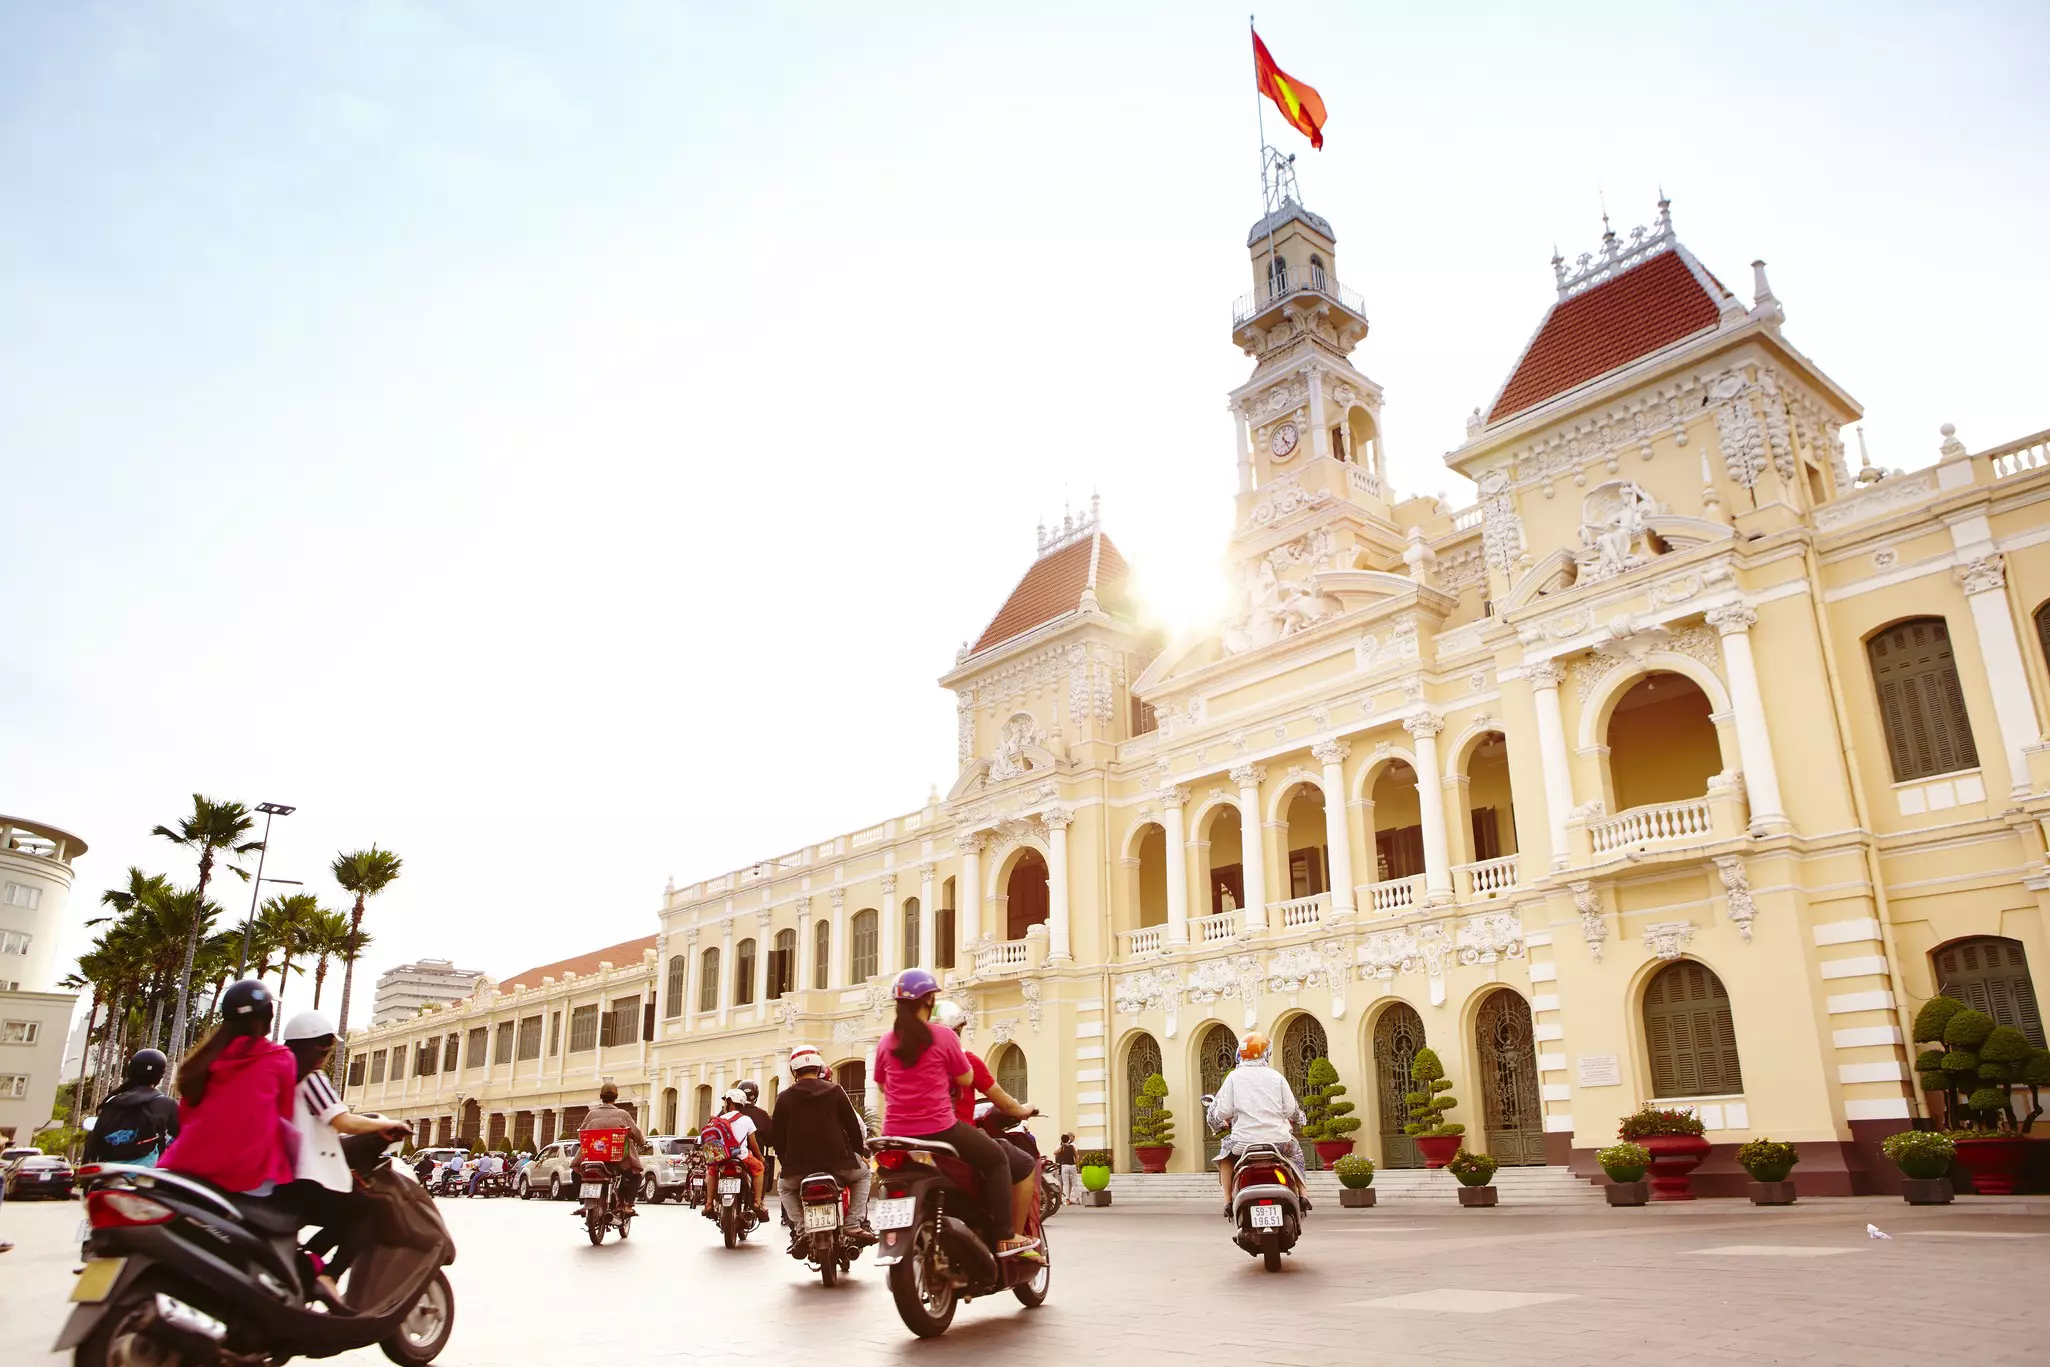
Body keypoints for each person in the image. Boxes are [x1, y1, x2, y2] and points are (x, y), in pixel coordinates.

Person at [873, 969, 1036, 1260]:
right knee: (997, 1158)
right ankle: (1005, 1235)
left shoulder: (886, 1041)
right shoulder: (943, 1036)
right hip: (939, 1129)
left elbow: (883, 1086)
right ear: (929, 1000)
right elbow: (965, 1078)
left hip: (894, 1133)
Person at [276, 1010, 410, 1307]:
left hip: (284, 1177)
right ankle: (329, 1276)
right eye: (324, 1048)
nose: (325, 1056)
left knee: (344, 1216)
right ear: (313, 1047)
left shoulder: (279, 1077)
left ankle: (304, 1265)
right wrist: (386, 1124)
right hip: (310, 1177)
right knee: (370, 1213)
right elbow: (343, 1121)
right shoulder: (311, 1079)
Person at [160, 980, 298, 1196]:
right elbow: (285, 1116)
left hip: (184, 1167)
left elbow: (186, 1118)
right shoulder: (280, 1058)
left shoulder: (202, 1062)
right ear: (267, 1014)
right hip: (246, 1175)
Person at [931, 999, 1039, 1239]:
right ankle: (1009, 1235)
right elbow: (1004, 1103)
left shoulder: (914, 1061)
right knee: (1019, 1163)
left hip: (912, 1137)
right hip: (954, 1135)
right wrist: (1023, 1110)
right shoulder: (965, 1061)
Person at [768, 1046, 872, 1253]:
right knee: (864, 1175)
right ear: (819, 1068)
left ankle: (801, 1229)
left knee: (784, 1187)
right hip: (840, 1164)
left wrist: (785, 1161)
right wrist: (858, 1155)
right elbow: (853, 1127)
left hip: (797, 1168)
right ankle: (853, 1223)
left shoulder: (784, 1097)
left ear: (794, 1070)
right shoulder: (836, 1091)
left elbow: (776, 1137)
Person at [1204, 1032, 1310, 1218]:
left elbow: (1223, 1111)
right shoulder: (1277, 1077)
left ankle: (1227, 1201)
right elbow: (1290, 1109)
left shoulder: (1233, 1077)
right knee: (1295, 1152)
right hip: (1279, 1141)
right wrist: (1300, 1118)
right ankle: (1303, 1195)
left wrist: (1217, 1120)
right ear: (1265, 1053)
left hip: (1242, 1143)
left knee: (1225, 1157)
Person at [83, 1049, 181, 1167]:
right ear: (160, 1075)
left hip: (105, 1166)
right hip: (143, 1169)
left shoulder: (112, 1100)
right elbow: (184, 1136)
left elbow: (95, 1140)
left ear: (131, 1071)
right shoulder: (166, 1103)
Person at [577, 1082, 648, 1215]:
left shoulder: (591, 1114)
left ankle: (582, 1202)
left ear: (601, 1096)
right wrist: (641, 1142)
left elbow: (581, 1133)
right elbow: (636, 1133)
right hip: (617, 1159)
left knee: (576, 1172)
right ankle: (628, 1205)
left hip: (593, 1157)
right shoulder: (623, 1114)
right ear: (616, 1097)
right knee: (636, 1176)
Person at [703, 1088, 767, 1220]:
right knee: (759, 1168)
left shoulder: (719, 1119)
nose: (724, 1105)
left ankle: (709, 1204)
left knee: (712, 1171)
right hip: (742, 1156)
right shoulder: (747, 1120)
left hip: (722, 1157)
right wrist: (761, 1158)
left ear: (730, 1102)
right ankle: (757, 1202)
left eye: (725, 1102)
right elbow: (753, 1144)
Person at [733, 1078, 776, 1199]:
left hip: (727, 1155)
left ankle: (710, 1202)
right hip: (751, 1156)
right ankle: (758, 1201)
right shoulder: (761, 1114)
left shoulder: (727, 1112)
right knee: (762, 1167)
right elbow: (769, 1140)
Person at [1055, 1133, 1080, 1203]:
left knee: (1066, 1183)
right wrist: (1077, 1165)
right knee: (1075, 1183)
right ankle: (1078, 1199)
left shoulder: (1062, 1147)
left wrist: (1061, 1147)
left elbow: (1055, 1153)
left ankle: (1067, 1199)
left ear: (1062, 1140)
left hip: (1065, 1166)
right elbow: (1076, 1156)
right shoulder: (1072, 1146)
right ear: (1068, 1139)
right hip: (1073, 1165)